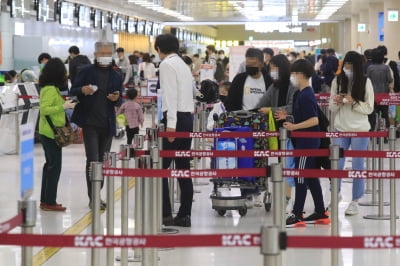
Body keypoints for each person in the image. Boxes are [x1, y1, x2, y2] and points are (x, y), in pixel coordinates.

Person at [70, 41, 123, 210]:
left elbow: (120, 97)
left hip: (107, 123)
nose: (105, 57)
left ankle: (97, 193)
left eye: (109, 54)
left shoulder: (117, 75)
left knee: (103, 161)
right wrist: (82, 90)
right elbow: (73, 91)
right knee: (93, 160)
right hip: (89, 122)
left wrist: (117, 98)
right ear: (95, 54)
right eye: (103, 53)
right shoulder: (85, 71)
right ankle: (93, 196)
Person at [283, 59, 329, 227]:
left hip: (307, 143)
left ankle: (297, 213)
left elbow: (313, 120)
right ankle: (320, 210)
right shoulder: (302, 93)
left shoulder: (306, 94)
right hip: (306, 141)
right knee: (310, 177)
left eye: (294, 73)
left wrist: (295, 126)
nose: (292, 77)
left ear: (301, 74)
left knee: (300, 176)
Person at [155, 34, 194, 227]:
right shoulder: (182, 64)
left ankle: (165, 214)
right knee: (183, 167)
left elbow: (169, 96)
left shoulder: (166, 65)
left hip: (176, 119)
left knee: (160, 167)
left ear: (159, 48)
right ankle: (185, 214)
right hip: (188, 118)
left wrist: (170, 125)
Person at [329, 51, 374, 215]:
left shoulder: (365, 82)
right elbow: (331, 107)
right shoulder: (337, 80)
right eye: (345, 64)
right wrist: (338, 102)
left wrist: (353, 101)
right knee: (337, 163)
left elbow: (369, 108)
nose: (347, 67)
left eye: (350, 64)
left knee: (357, 165)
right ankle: (335, 194)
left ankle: (355, 200)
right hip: (340, 127)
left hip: (360, 130)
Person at [256, 54, 297, 211]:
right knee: (280, 162)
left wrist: (270, 110)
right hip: (276, 132)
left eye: (274, 68)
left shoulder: (293, 86)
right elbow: (262, 104)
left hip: (291, 129)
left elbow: (292, 107)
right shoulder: (274, 87)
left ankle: (288, 197)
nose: (271, 71)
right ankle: (282, 195)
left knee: (288, 163)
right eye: (270, 68)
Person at [38, 58, 76, 211]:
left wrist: (64, 104)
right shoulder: (49, 89)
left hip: (48, 131)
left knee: (50, 166)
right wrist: (63, 106)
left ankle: (45, 200)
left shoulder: (51, 88)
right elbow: (45, 109)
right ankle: (50, 202)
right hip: (50, 133)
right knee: (54, 167)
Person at [367, 48, 393, 130]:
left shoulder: (370, 68)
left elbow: (367, 79)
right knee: (385, 114)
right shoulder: (386, 68)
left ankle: (372, 132)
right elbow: (390, 79)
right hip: (384, 94)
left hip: (373, 95)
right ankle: (385, 133)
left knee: (373, 114)